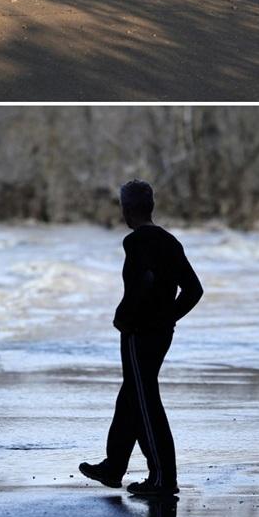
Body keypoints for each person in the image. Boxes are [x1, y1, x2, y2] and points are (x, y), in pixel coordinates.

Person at [79, 180, 204, 497]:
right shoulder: (170, 241)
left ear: (127, 210)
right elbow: (193, 289)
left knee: (146, 402)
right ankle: (114, 467)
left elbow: (141, 284)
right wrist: (169, 318)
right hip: (159, 333)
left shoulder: (136, 242)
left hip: (139, 334)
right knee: (132, 396)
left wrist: (127, 318)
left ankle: (163, 478)